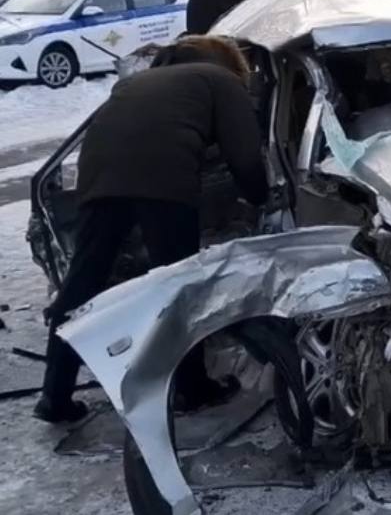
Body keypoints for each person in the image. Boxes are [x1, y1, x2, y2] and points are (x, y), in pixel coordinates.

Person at [34, 36, 270, 423]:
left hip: (98, 175)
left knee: (82, 284)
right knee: (176, 286)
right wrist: (259, 196)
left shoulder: (139, 83)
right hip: (163, 178)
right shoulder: (223, 81)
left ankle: (53, 395)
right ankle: (192, 389)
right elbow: (244, 154)